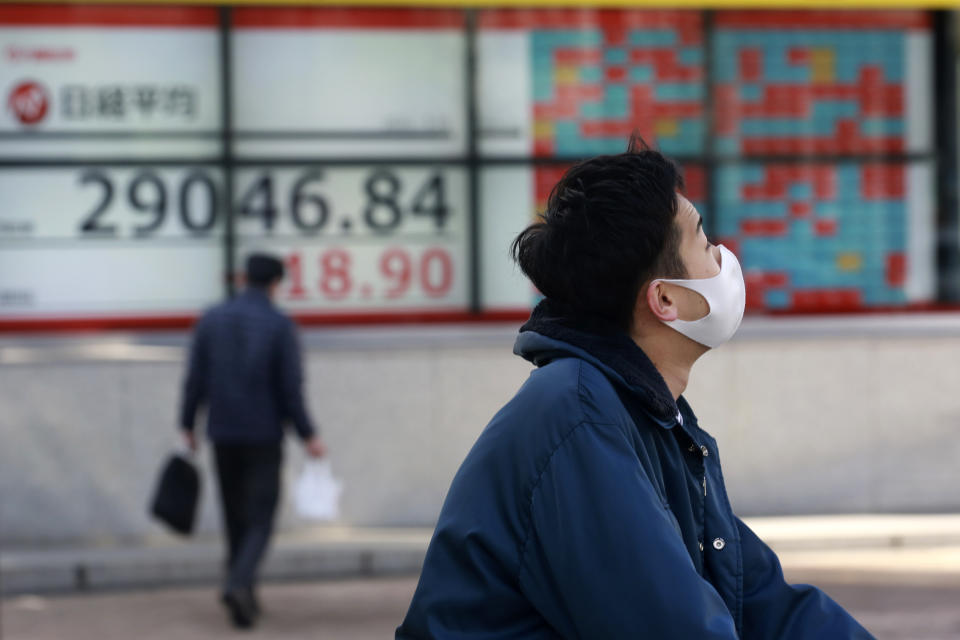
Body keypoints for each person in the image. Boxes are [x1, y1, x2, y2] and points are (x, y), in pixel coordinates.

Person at [397, 137, 873, 639]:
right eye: (703, 238)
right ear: (665, 298)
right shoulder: (579, 418)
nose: (722, 254)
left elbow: (758, 601)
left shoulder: (649, 415)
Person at [180, 253, 326, 629]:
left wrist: (187, 423)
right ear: (276, 283)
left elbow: (194, 376)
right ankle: (239, 583)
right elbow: (291, 389)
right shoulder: (279, 325)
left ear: (245, 279)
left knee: (234, 516)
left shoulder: (211, 319)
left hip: (223, 433)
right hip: (263, 435)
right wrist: (308, 433)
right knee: (261, 517)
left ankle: (244, 592)